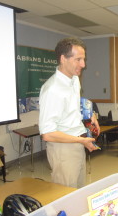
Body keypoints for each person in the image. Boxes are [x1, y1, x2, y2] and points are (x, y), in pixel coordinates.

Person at [39, 37, 99, 188]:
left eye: (83, 59)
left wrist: (91, 116)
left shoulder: (74, 79)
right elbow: (47, 133)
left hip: (77, 143)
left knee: (78, 194)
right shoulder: (52, 89)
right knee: (65, 197)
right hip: (63, 149)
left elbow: (72, 107)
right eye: (78, 59)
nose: (83, 65)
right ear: (63, 59)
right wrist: (80, 141)